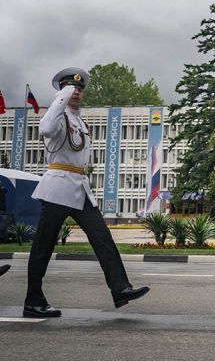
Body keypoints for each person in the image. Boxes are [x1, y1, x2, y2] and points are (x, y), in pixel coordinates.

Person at [24, 67, 149, 318]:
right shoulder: (57, 117)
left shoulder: (79, 120)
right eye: (72, 88)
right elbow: (45, 128)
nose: (77, 93)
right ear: (63, 91)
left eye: (80, 89)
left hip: (79, 189)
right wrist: (63, 94)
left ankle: (120, 289)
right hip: (57, 188)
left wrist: (69, 95)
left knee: (103, 239)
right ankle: (33, 301)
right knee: (43, 247)